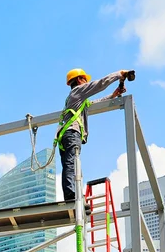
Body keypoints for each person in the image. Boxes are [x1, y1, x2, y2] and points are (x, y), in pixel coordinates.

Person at [55, 68, 130, 201]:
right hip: (72, 133)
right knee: (71, 163)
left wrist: (112, 96)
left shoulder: (76, 99)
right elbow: (100, 84)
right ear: (79, 80)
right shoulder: (78, 91)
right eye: (85, 79)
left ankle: (71, 193)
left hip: (66, 135)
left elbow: (93, 104)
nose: (86, 82)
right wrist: (119, 74)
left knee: (70, 164)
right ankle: (71, 195)